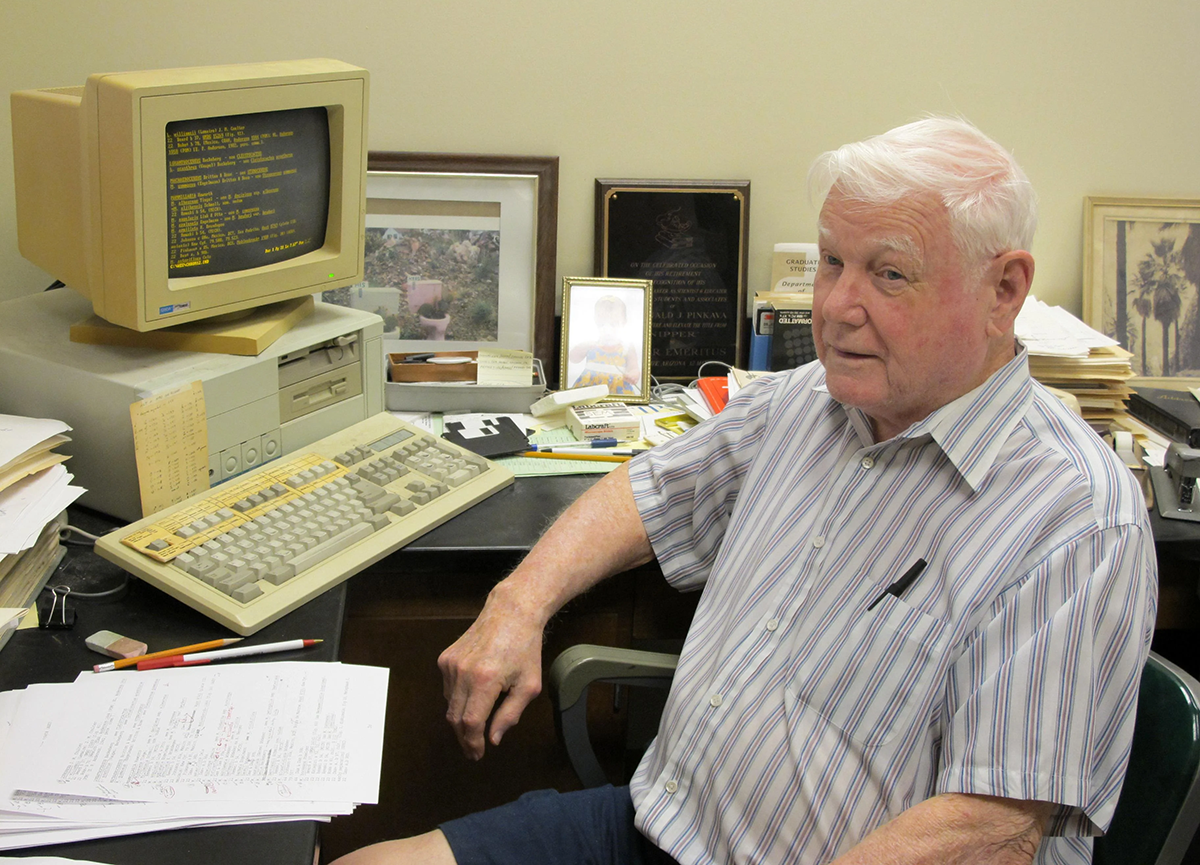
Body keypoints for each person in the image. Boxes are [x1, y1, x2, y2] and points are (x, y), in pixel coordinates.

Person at [333, 117, 1158, 865]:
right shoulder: (812, 399)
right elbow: (651, 491)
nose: (837, 306)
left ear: (1004, 290)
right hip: (655, 825)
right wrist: (518, 603)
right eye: (833, 262)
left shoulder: (1073, 519)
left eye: (889, 275)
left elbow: (989, 831)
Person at [569, 293, 642, 396]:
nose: (607, 329)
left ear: (624, 323)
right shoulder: (591, 343)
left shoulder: (626, 346)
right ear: (595, 321)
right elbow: (573, 358)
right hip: (589, 387)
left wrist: (633, 375)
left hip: (617, 389)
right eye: (602, 324)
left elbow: (633, 367)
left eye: (613, 324)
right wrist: (583, 347)